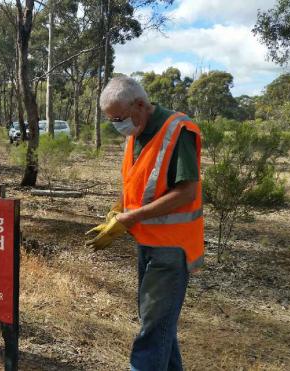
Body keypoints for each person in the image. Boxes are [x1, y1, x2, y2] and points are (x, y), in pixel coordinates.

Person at [86, 76, 204, 371]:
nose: (117, 125)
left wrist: (131, 217)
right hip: (147, 242)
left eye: (119, 118)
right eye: (112, 120)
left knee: (152, 330)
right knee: (159, 324)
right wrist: (118, 209)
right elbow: (136, 182)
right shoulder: (134, 132)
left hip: (172, 248)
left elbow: (186, 192)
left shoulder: (178, 130)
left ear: (140, 104)